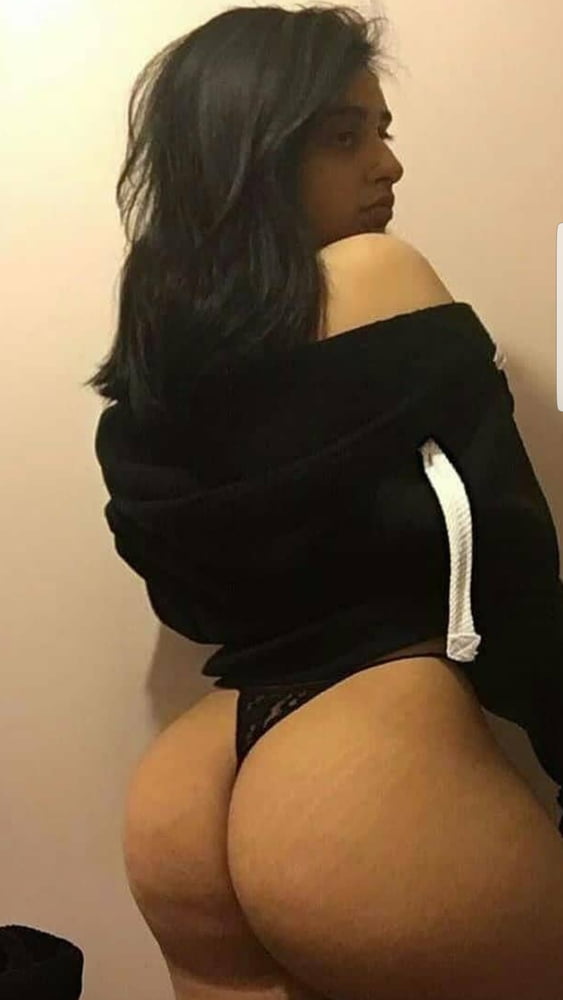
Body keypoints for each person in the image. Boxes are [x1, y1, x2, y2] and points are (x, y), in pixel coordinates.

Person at [87, 5, 563, 998]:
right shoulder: (377, 271)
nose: (388, 165)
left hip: (190, 793)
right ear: (248, 154)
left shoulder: (159, 360)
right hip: (361, 786)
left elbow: (189, 607)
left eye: (382, 131)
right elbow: (510, 552)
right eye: (344, 138)